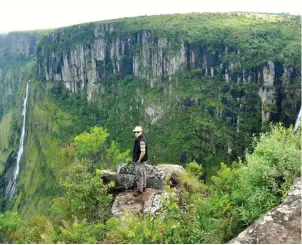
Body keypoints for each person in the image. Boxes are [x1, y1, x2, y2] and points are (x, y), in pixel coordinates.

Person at [132, 126, 148, 197]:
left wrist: (139, 160)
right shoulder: (140, 139)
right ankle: (143, 186)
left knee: (139, 175)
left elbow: (143, 152)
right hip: (143, 160)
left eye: (137, 132)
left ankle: (139, 190)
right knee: (143, 173)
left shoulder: (141, 141)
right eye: (135, 132)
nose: (136, 133)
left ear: (141, 132)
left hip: (140, 161)